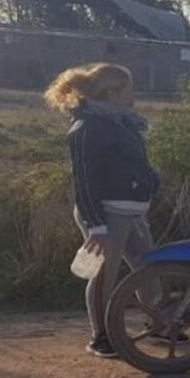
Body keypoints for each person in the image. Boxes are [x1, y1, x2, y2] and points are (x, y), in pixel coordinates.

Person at [45, 63, 160, 358]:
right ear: (111, 93)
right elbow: (83, 181)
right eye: (128, 90)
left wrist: (149, 180)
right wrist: (96, 225)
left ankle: (159, 323)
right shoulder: (86, 128)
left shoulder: (122, 123)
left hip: (130, 211)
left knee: (148, 267)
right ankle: (101, 336)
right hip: (105, 214)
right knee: (104, 274)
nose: (133, 97)